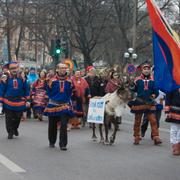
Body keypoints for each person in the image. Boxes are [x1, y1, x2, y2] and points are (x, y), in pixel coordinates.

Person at [128, 62, 162, 145]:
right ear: (142, 70)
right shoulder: (137, 80)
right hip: (139, 102)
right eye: (145, 69)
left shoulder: (153, 81)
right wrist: (131, 84)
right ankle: (136, 136)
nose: (146, 70)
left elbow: (156, 92)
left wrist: (153, 96)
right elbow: (133, 89)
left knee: (153, 121)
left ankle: (156, 137)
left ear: (150, 70)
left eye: (148, 69)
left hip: (149, 102)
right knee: (137, 121)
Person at [44, 63, 74, 151]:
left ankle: (63, 144)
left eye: (65, 68)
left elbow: (71, 92)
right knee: (52, 125)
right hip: (53, 105)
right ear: (57, 69)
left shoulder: (69, 81)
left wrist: (67, 100)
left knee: (64, 125)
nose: (63, 70)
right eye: (61, 68)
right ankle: (52, 141)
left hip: (64, 105)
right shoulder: (52, 80)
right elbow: (48, 92)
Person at [0, 62, 30, 139]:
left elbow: (26, 89)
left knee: (18, 117)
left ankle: (15, 128)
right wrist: (1, 101)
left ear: (18, 69)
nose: (14, 70)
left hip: (19, 101)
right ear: (9, 70)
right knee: (8, 118)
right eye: (12, 69)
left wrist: (28, 100)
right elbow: (2, 90)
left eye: (15, 68)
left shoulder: (22, 79)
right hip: (8, 101)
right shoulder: (5, 78)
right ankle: (10, 132)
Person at [165, 88, 180, 155]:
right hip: (174, 110)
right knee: (174, 128)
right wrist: (167, 111)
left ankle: (178, 144)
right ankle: (175, 146)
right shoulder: (171, 87)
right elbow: (167, 99)